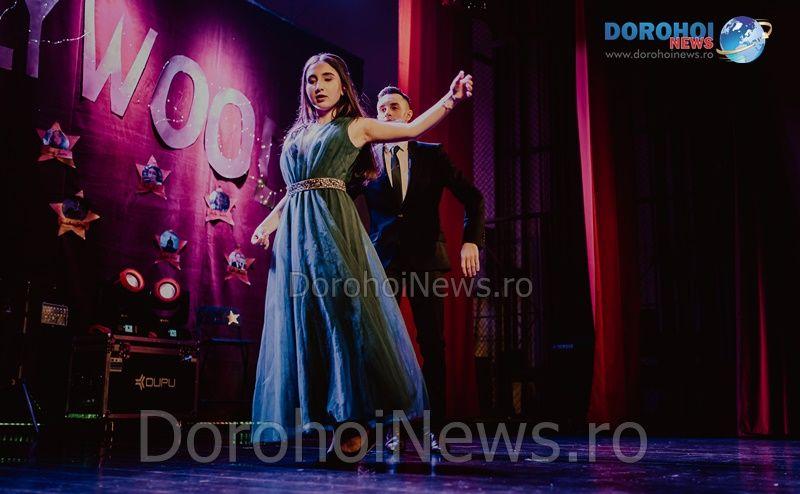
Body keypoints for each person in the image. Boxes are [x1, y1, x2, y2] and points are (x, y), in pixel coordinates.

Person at [250, 52, 473, 459]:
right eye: (311, 79)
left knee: (346, 323)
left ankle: (357, 426)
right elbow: (297, 188)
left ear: (343, 85)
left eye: (327, 78)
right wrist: (270, 222)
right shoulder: (297, 133)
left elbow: (412, 128)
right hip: (297, 238)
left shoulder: (356, 126)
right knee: (307, 324)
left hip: (333, 234)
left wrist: (451, 99)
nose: (318, 86)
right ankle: (327, 420)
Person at [349, 86, 485, 450]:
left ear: (410, 115)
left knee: (433, 345)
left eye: (394, 106)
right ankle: (386, 429)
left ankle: (434, 430)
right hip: (384, 264)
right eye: (381, 108)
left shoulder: (431, 154)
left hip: (427, 261)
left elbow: (473, 198)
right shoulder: (365, 162)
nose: (387, 112)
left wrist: (471, 240)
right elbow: (337, 198)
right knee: (383, 347)